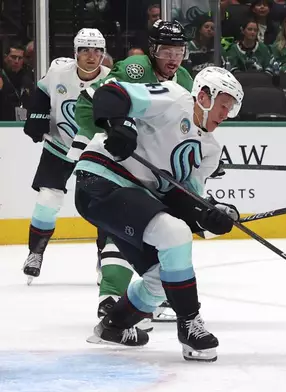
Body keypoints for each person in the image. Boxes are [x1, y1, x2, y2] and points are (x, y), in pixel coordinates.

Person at [75, 67, 243, 361]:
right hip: (100, 180)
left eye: (231, 108)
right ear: (203, 96)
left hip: (135, 198)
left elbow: (183, 198)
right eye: (224, 104)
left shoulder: (209, 151)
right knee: (175, 234)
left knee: (160, 279)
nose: (226, 113)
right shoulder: (174, 98)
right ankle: (190, 324)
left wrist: (208, 214)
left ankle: (113, 326)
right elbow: (112, 93)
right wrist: (120, 125)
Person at [70, 20, 193, 324]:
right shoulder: (136, 68)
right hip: (112, 155)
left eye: (179, 50)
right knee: (125, 226)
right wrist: (112, 127)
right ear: (153, 50)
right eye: (166, 50)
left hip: (144, 162)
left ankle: (127, 294)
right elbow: (90, 102)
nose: (173, 57)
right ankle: (111, 296)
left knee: (144, 228)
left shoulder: (186, 80)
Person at [21, 28, 110, 284]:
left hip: (96, 151)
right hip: (58, 146)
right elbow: (41, 95)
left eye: (97, 51)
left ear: (103, 54)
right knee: (48, 198)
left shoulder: (110, 80)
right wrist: (36, 117)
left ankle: (106, 258)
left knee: (105, 206)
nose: (91, 56)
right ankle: (35, 252)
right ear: (75, 53)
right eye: (85, 50)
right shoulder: (58, 72)